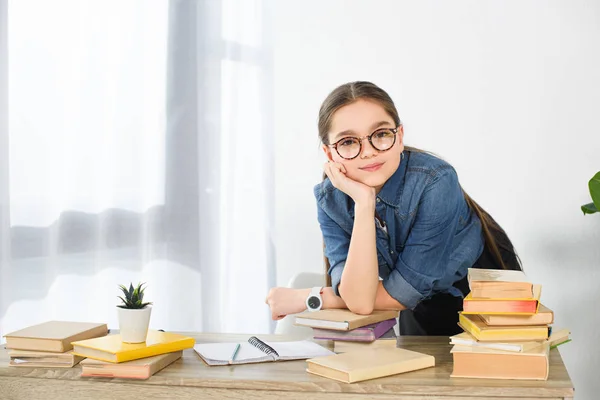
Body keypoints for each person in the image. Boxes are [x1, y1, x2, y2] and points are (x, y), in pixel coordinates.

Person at [266, 81, 521, 335]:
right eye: (347, 142)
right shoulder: (330, 200)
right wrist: (364, 202)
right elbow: (360, 301)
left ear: (398, 137)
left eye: (380, 135)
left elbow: (400, 292)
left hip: (486, 298)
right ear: (330, 154)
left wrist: (311, 297)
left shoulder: (435, 180)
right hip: (419, 306)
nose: (367, 152)